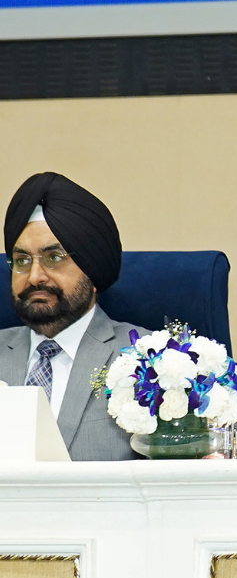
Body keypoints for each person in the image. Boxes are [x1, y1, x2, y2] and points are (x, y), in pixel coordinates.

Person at [0, 173, 147, 460]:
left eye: (54, 258)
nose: (34, 277)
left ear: (92, 270)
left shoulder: (148, 358)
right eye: (21, 261)